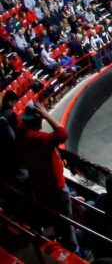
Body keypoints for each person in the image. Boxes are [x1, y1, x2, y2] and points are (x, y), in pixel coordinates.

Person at [17, 101, 77, 251]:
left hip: (40, 186)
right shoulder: (39, 139)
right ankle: (73, 250)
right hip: (55, 187)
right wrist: (47, 115)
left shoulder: (21, 133)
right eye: (40, 119)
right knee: (66, 222)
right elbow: (63, 134)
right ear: (37, 120)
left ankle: (61, 243)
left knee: (55, 219)